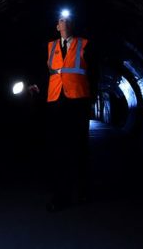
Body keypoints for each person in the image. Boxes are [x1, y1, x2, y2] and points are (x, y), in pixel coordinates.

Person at [31, 11, 96, 212]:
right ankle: (60, 195)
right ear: (57, 27)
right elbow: (49, 72)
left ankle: (82, 191)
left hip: (77, 100)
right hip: (56, 101)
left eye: (68, 20)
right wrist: (38, 86)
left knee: (79, 147)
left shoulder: (84, 44)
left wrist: (90, 97)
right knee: (59, 149)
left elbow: (94, 72)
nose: (64, 22)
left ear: (73, 25)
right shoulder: (50, 47)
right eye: (61, 20)